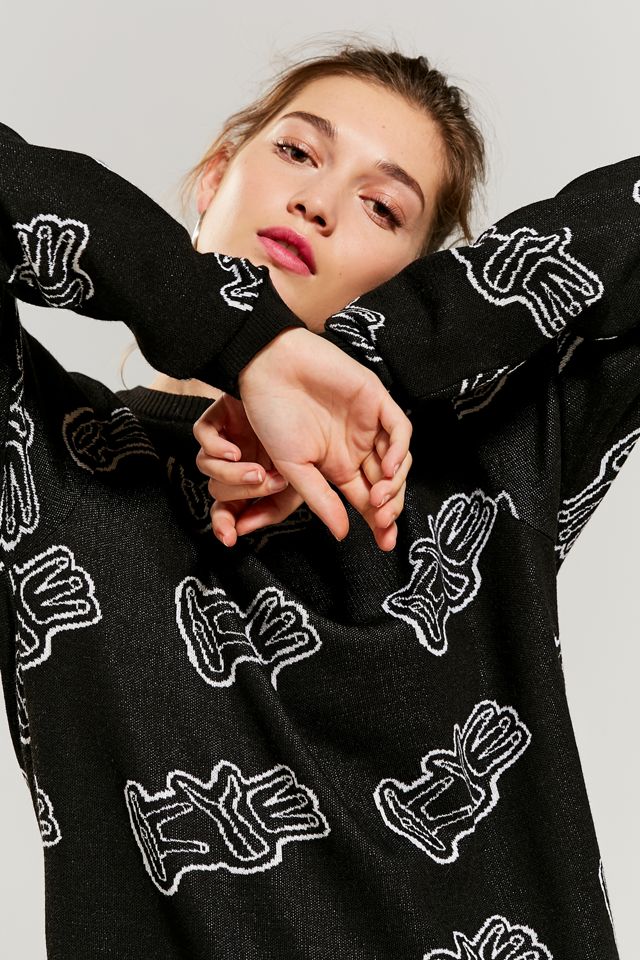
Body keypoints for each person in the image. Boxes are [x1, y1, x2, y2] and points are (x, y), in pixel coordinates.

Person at [0, 40, 636, 960]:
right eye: (297, 152)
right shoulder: (43, 457)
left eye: (383, 207)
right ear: (216, 174)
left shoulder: (498, 459)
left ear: (420, 273)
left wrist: (378, 351)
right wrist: (238, 336)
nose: (319, 204)